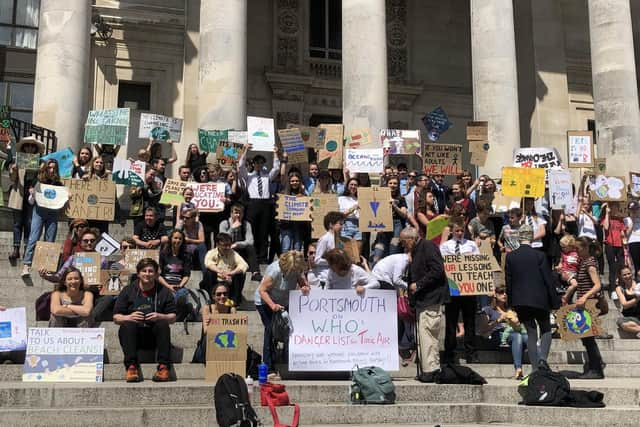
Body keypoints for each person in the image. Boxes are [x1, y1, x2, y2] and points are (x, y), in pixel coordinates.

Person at [505, 224, 559, 372]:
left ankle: (535, 369)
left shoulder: (510, 256)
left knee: (531, 332)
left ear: (519, 237)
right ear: (531, 236)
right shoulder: (540, 255)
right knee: (546, 329)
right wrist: (555, 302)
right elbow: (548, 280)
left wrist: (511, 304)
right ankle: (542, 359)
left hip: (520, 301)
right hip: (540, 299)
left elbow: (508, 282)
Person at [113, 258, 177, 383]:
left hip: (154, 337)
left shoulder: (164, 292)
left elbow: (173, 317)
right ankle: (132, 367)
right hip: (133, 337)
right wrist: (128, 317)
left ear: (156, 274)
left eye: (151, 271)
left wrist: (160, 316)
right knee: (127, 325)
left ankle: (163, 367)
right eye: (144, 271)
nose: (147, 274)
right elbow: (116, 317)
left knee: (162, 324)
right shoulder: (128, 290)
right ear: (138, 273)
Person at [404, 227, 449, 374]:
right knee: (424, 336)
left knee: (428, 336)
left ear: (411, 239)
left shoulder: (428, 246)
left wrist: (419, 284)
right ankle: (428, 368)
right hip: (423, 300)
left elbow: (437, 270)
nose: (403, 246)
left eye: (404, 242)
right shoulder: (417, 250)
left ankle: (431, 369)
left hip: (431, 298)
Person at [255, 251, 307, 376]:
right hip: (265, 302)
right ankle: (269, 367)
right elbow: (262, 290)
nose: (293, 272)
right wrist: (272, 305)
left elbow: (302, 283)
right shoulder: (274, 271)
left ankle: (287, 360)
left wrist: (304, 287)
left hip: (284, 301)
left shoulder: (297, 268)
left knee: (288, 331)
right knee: (270, 330)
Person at [562, 236, 606, 379]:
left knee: (588, 338)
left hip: (589, 303)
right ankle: (594, 367)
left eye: (578, 248)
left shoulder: (590, 263)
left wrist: (584, 297)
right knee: (586, 338)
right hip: (584, 304)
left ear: (586, 248)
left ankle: (596, 369)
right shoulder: (584, 262)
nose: (577, 251)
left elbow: (598, 285)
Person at [440, 218, 480, 363]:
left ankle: (471, 352)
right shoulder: (445, 246)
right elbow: (443, 262)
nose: (459, 233)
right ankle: (450, 352)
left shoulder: (471, 245)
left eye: (462, 231)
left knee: (470, 321)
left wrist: (469, 259)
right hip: (453, 287)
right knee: (451, 321)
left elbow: (478, 261)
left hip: (468, 288)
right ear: (452, 231)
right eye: (457, 230)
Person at [22, 159, 65, 277]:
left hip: (53, 213)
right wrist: (32, 193)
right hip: (39, 212)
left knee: (50, 239)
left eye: (54, 168)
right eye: (50, 167)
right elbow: (31, 202)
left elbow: (62, 199)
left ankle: (48, 265)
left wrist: (68, 196)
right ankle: (26, 264)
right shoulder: (38, 181)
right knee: (33, 237)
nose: (52, 170)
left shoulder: (59, 184)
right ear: (45, 168)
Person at [238, 145, 281, 263]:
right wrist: (245, 150)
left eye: (261, 163)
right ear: (253, 164)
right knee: (251, 230)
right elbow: (241, 166)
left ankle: (262, 257)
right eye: (257, 162)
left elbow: (276, 168)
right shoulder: (248, 176)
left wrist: (275, 153)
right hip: (252, 203)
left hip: (265, 204)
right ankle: (251, 255)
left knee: (263, 231)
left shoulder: (267, 176)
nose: (259, 165)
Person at [7, 136, 44, 263]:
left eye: (32, 146)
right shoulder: (17, 161)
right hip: (18, 196)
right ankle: (16, 249)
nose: (29, 148)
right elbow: (12, 179)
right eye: (27, 146)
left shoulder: (40, 163)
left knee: (29, 224)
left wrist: (39, 172)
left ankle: (27, 250)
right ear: (23, 148)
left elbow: (43, 180)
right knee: (17, 224)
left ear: (35, 149)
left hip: (32, 197)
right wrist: (13, 170)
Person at [482, 287, 527, 379]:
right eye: (501, 292)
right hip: (497, 335)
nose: (504, 294)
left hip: (513, 332)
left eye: (506, 292)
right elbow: (484, 329)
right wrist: (498, 320)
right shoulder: (488, 309)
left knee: (527, 337)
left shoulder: (511, 309)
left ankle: (541, 366)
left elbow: (519, 326)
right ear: (495, 295)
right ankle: (518, 369)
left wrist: (515, 321)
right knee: (518, 336)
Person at [203, 232, 249, 306]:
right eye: (224, 245)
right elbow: (208, 263)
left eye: (229, 245)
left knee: (240, 274)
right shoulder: (211, 253)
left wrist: (232, 273)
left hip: (229, 281)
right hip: (215, 281)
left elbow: (244, 265)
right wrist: (220, 272)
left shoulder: (233, 253)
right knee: (209, 273)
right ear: (217, 244)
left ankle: (234, 301)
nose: (227, 248)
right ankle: (211, 300)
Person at [219, 204, 260, 281]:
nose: (238, 215)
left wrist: (237, 244)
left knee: (250, 248)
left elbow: (250, 241)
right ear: (231, 213)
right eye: (236, 213)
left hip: (240, 249)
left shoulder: (246, 224)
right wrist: (232, 228)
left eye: (240, 213)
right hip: (227, 249)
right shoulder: (224, 223)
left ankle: (255, 273)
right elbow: (222, 240)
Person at [158, 229, 191, 302]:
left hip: (179, 286)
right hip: (165, 285)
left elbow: (186, 275)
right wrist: (168, 286)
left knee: (181, 294)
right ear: (170, 239)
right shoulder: (163, 254)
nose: (178, 240)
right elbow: (158, 275)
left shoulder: (186, 256)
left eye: (180, 239)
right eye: (175, 238)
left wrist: (180, 286)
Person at [313, 212, 345, 288]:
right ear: (331, 224)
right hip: (325, 277)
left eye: (343, 224)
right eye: (340, 224)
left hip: (335, 277)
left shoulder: (340, 240)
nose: (342, 226)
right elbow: (317, 260)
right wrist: (332, 261)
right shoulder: (325, 239)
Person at [279, 171, 308, 252]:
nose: (294, 183)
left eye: (296, 181)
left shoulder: (304, 195)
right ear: (289, 182)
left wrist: (303, 198)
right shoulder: (283, 194)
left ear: (299, 182)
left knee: (297, 248)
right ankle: (284, 264)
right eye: (292, 181)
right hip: (286, 225)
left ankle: (296, 264)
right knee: (285, 247)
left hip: (299, 226)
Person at [602, 201, 625, 290]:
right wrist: (607, 214)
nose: (615, 208)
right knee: (612, 266)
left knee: (621, 266)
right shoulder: (606, 218)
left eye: (616, 207)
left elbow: (622, 232)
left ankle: (622, 285)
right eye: (613, 207)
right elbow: (606, 227)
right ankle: (612, 288)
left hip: (619, 245)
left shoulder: (620, 219)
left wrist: (623, 235)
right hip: (610, 245)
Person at [615, 266, 640, 337]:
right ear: (621, 276)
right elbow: (625, 305)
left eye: (629, 273)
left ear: (632, 273)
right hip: (631, 318)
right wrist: (637, 299)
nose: (627, 276)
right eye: (624, 275)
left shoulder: (639, 284)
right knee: (621, 322)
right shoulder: (619, 288)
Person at [339, 178, 362, 253]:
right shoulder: (341, 199)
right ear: (347, 186)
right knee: (347, 252)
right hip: (346, 226)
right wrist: (352, 209)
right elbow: (340, 215)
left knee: (357, 253)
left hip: (359, 227)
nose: (353, 187)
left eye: (356, 185)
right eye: (351, 184)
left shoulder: (360, 199)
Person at [624, 201, 640, 276]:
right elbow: (626, 234)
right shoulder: (626, 220)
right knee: (635, 263)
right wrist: (632, 221)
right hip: (632, 242)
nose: (634, 211)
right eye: (632, 209)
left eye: (636, 209)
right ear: (629, 210)